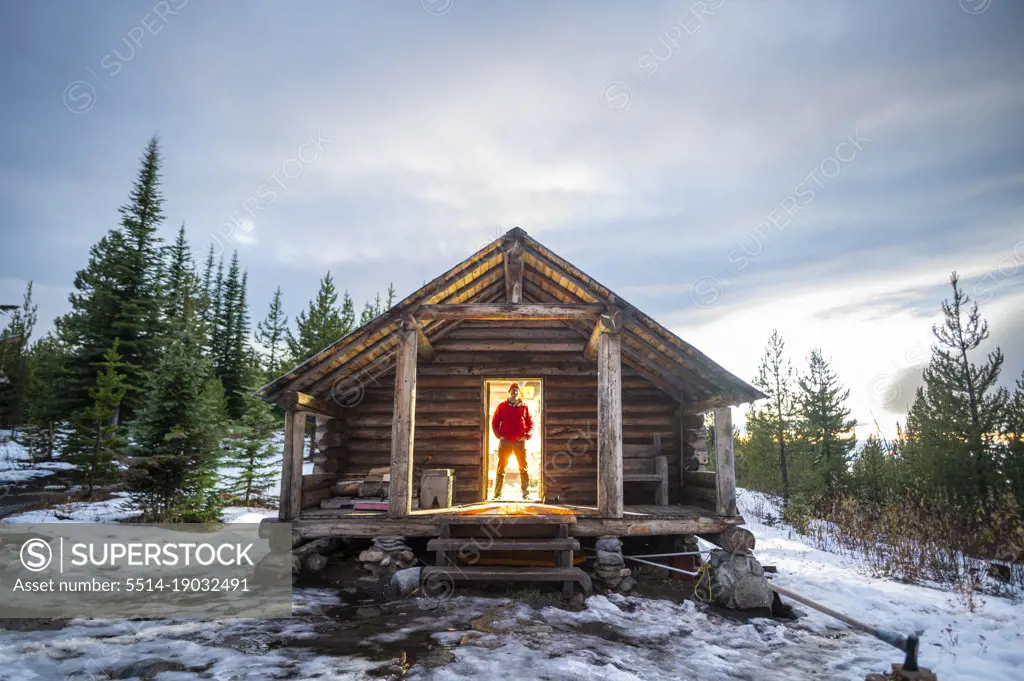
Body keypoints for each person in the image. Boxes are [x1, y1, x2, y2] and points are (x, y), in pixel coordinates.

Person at [490, 382, 534, 500]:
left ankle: (526, 494)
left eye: (516, 391)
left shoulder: (524, 407)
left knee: (523, 469)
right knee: (501, 468)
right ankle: (497, 495)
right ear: (509, 392)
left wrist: (527, 436)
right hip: (505, 442)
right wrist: (499, 436)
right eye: (512, 390)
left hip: (520, 442)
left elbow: (531, 424)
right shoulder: (501, 406)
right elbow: (494, 423)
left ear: (519, 393)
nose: (514, 392)